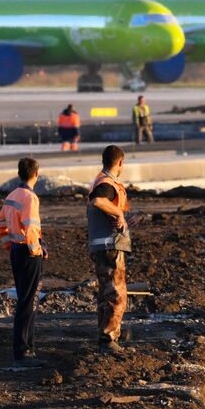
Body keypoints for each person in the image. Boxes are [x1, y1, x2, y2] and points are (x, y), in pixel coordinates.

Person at [0, 157, 47, 364]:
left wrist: (11, 245)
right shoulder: (30, 198)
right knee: (29, 301)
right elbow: (31, 228)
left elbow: (0, 226)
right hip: (27, 253)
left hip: (17, 251)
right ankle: (24, 351)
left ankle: (23, 348)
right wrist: (36, 251)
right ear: (36, 174)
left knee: (25, 299)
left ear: (19, 173)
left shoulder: (12, 195)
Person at [87, 144, 137, 352]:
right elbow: (98, 200)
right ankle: (108, 340)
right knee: (117, 294)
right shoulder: (107, 183)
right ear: (120, 162)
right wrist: (119, 214)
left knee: (106, 294)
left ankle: (107, 337)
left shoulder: (102, 180)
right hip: (108, 247)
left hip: (103, 245)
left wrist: (124, 220)